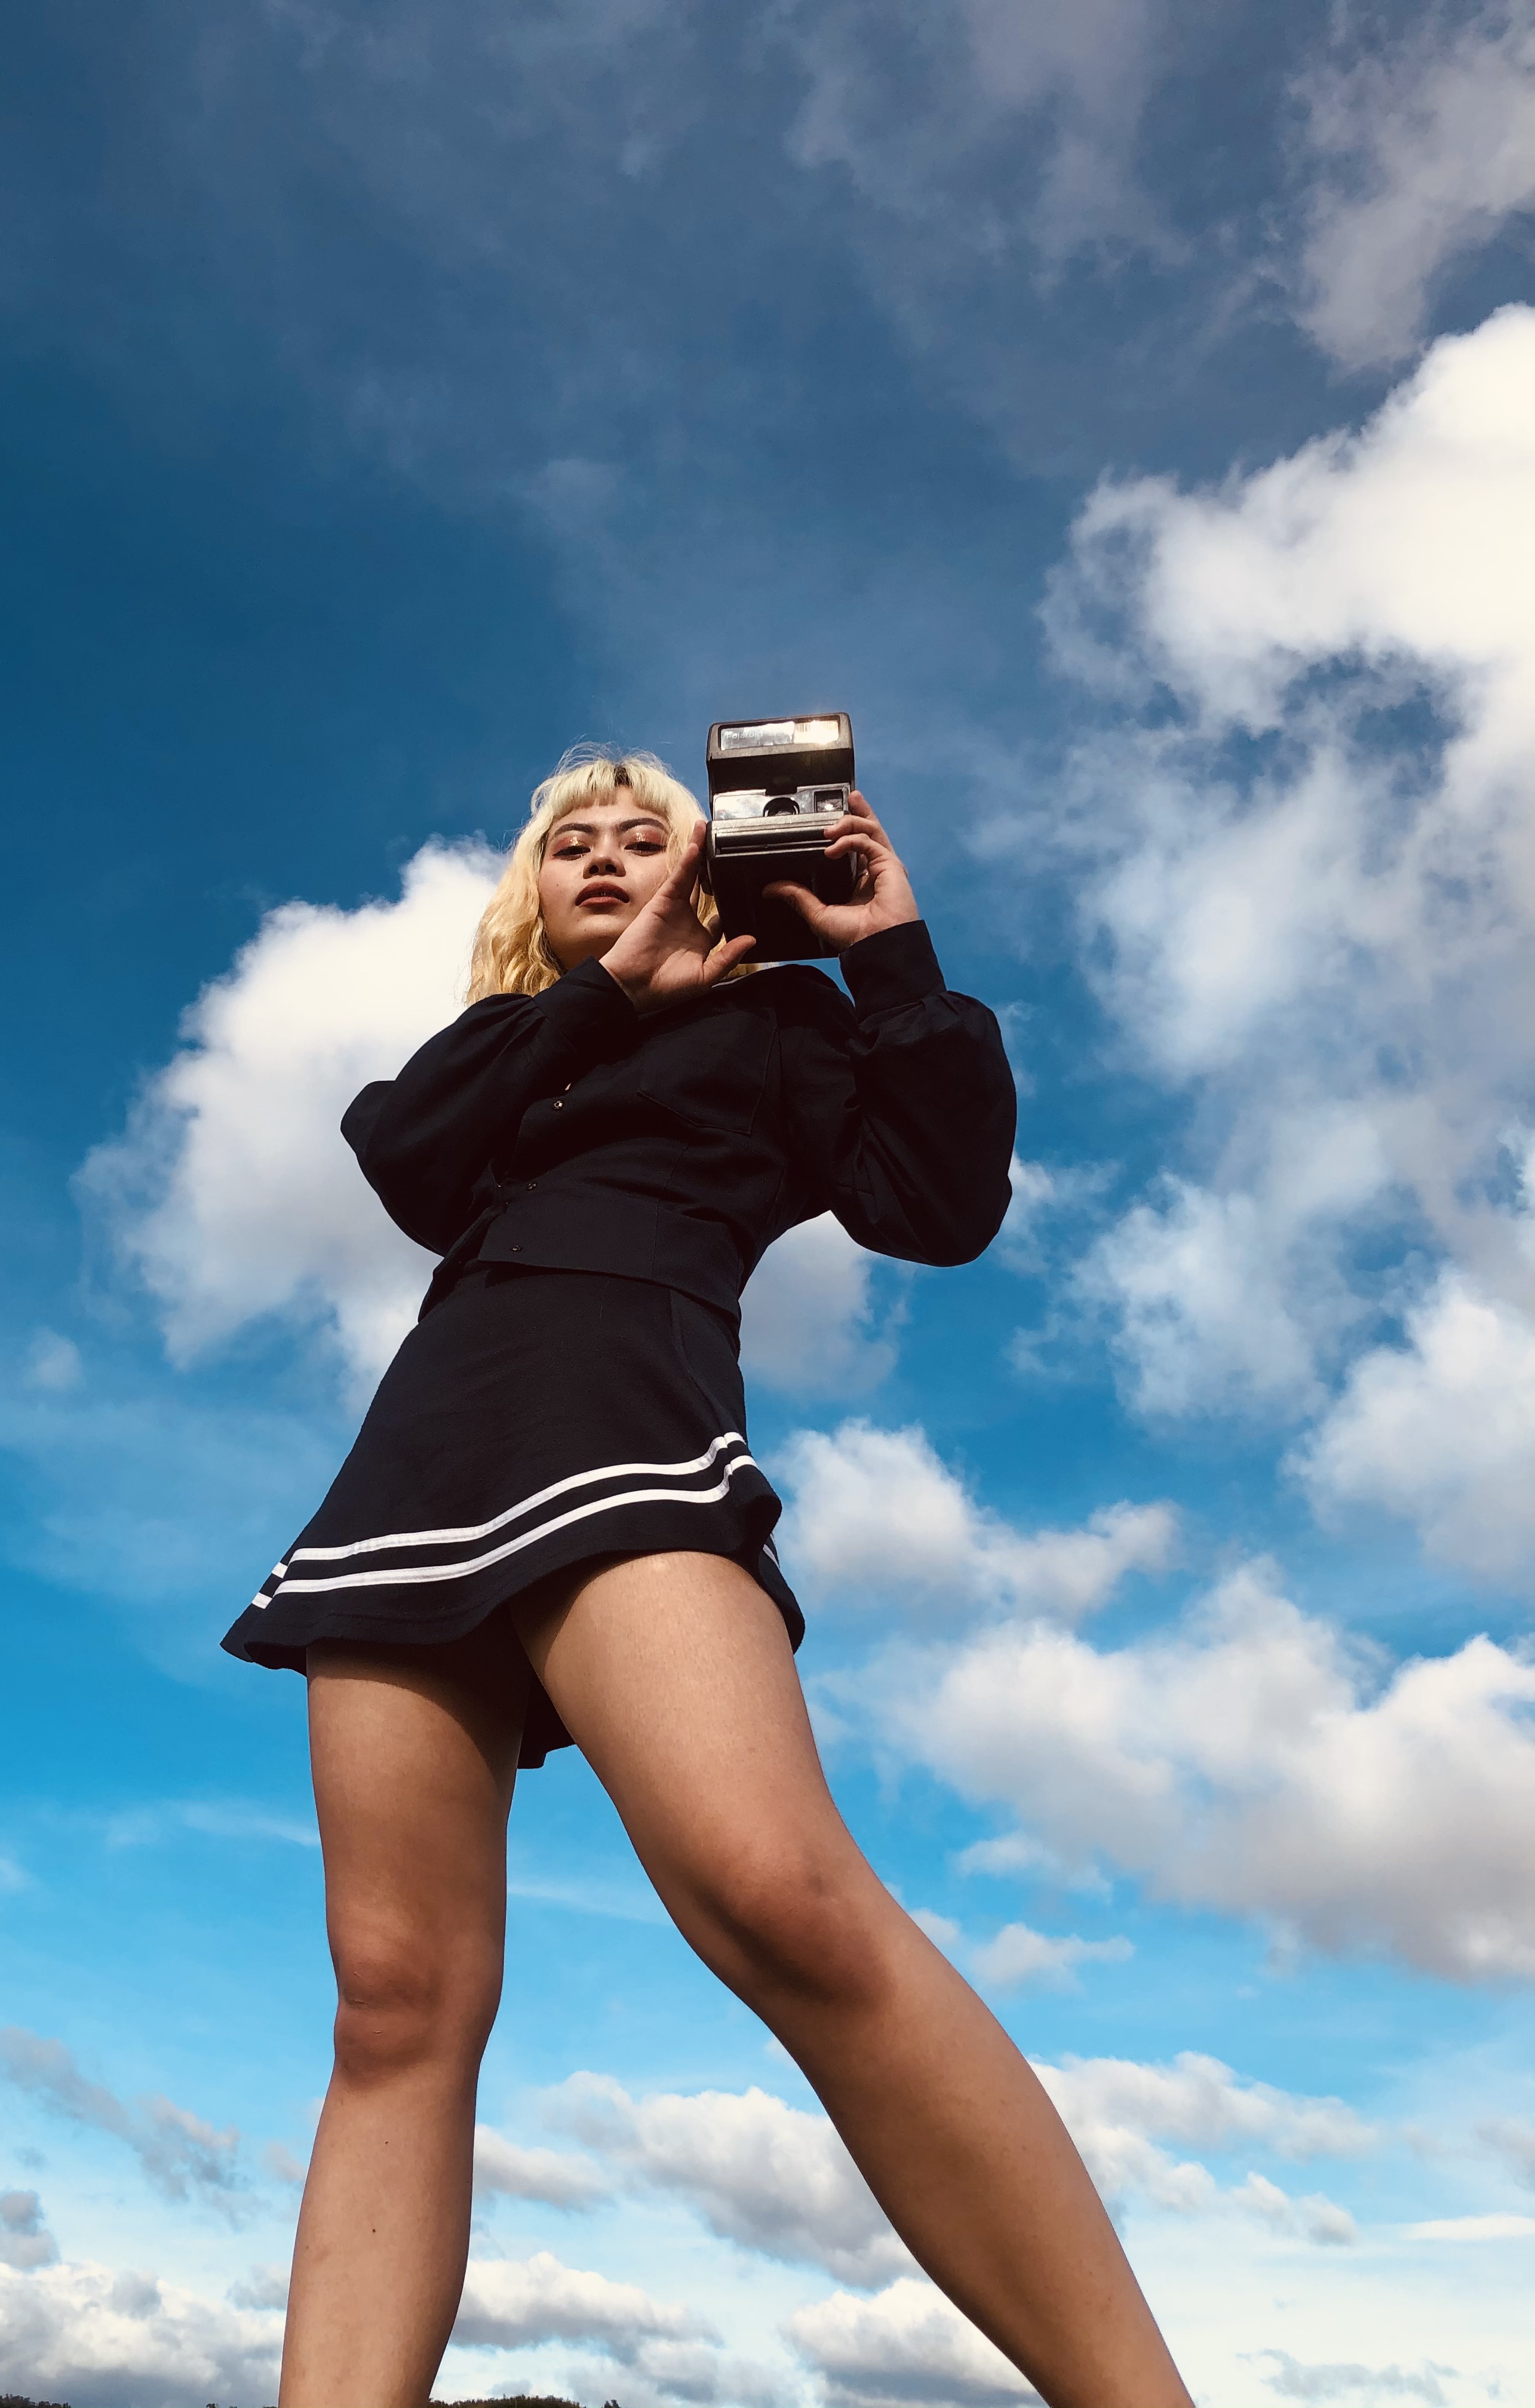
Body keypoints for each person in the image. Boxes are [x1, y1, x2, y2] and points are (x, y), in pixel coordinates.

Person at [222, 747, 1193, 2408]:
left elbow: (939, 1206)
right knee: (393, 2008)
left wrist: (887, 952)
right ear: (536, 894)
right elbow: (406, 1165)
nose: (602, 858)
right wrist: (605, 995)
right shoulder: (521, 1043)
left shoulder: (787, 1024)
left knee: (783, 1899)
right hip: (425, 1459)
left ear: (719, 863)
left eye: (644, 836)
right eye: (569, 846)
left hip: (633, 1417)